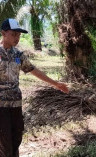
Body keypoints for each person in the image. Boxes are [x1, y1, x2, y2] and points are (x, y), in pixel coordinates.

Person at [0, 18, 69, 157]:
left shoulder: (18, 55)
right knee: (4, 143)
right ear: (3, 33)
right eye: (14, 34)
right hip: (1, 106)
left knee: (16, 139)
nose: (17, 38)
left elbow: (33, 70)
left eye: (19, 35)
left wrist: (55, 83)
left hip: (16, 104)